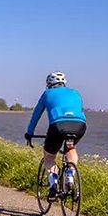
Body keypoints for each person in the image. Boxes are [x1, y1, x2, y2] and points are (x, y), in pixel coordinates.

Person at [24, 71, 86, 200]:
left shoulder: (47, 94)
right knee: (70, 148)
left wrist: (29, 133)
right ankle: (70, 174)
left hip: (58, 125)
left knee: (49, 156)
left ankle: (54, 183)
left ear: (49, 84)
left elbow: (36, 115)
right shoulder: (75, 93)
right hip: (79, 125)